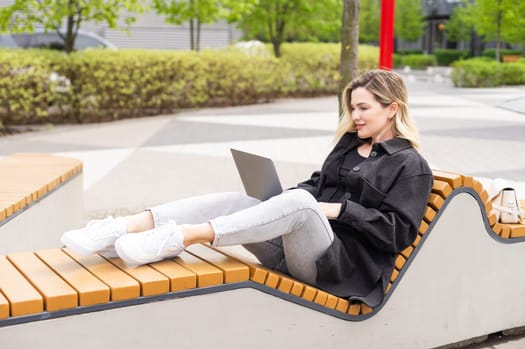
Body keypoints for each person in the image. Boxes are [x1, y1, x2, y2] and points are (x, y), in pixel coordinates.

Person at [61, 69, 433, 308]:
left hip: (340, 269)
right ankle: (122, 229)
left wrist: (332, 210)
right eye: (352, 108)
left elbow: (398, 232)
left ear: (392, 108)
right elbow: (317, 186)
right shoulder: (349, 145)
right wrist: (280, 198)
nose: (354, 117)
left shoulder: (410, 165)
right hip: (297, 249)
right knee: (238, 200)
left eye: (363, 108)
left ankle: (181, 237)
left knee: (302, 203)